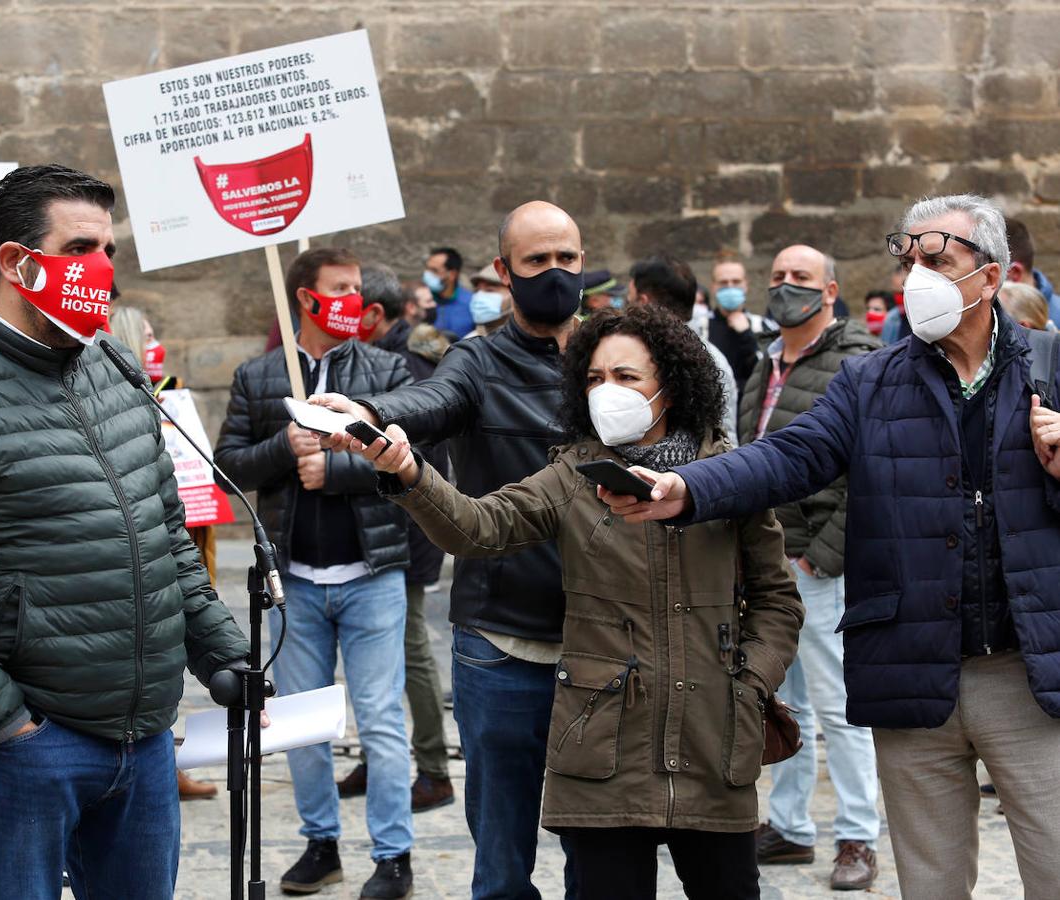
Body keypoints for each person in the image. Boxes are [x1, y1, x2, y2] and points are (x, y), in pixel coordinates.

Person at [605, 194, 1060, 898]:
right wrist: (685, 490)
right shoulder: (871, 381)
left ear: (992, 278)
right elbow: (785, 456)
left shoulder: (1052, 364)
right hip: (912, 669)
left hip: (1027, 673)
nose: (918, 278)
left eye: (938, 261)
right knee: (932, 884)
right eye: (908, 261)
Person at [0, 164, 248, 896]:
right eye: (80, 248)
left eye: (108, 249)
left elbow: (164, 538)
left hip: (144, 736)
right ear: (15, 261)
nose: (101, 268)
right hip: (23, 746)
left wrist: (221, 651)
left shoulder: (117, 371)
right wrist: (4, 724)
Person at [324, 304, 803, 900]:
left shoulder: (730, 474)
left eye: (626, 378)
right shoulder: (575, 472)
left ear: (672, 386)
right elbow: (479, 526)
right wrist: (410, 473)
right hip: (604, 743)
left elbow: (777, 600)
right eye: (594, 378)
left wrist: (748, 682)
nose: (608, 392)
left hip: (712, 737)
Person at [313, 200, 584, 899]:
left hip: (603, 637)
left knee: (603, 846)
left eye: (568, 259)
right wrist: (371, 416)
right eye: (536, 261)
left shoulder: (613, 356)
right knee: (500, 850)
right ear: (504, 271)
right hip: (501, 639)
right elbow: (429, 400)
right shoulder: (479, 358)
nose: (555, 273)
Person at [213, 247, 416, 899]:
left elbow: (415, 460)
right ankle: (320, 843)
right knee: (302, 719)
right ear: (305, 298)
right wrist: (285, 446)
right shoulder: (258, 376)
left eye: (357, 288)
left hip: (372, 573)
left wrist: (340, 468)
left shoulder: (387, 370)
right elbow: (229, 467)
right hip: (293, 577)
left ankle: (393, 854)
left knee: (381, 717)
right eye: (341, 289)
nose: (355, 300)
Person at [739, 245, 883, 890]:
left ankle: (857, 836)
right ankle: (791, 827)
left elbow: (871, 475)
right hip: (768, 567)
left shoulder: (857, 363)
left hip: (820, 565)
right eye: (776, 278)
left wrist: (821, 557)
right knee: (782, 701)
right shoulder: (763, 363)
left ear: (829, 291)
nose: (785, 287)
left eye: (800, 278)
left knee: (840, 707)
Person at [349, 262, 454, 813]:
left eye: (349, 304)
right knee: (384, 656)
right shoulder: (381, 357)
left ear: (373, 313)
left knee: (410, 651)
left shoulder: (403, 365)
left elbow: (416, 457)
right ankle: (379, 757)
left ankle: (434, 770)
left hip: (410, 529)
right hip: (395, 529)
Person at [108, 304, 218, 804]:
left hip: (187, 529)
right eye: (146, 335)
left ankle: (167, 762)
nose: (155, 345)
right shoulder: (111, 399)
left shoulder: (170, 394)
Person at [628, 255, 739, 447]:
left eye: (629, 300)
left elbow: (724, 441)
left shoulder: (710, 362)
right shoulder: (715, 357)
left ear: (643, 301)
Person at [708, 253, 763, 392]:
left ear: (745, 284)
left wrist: (746, 334)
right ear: (713, 286)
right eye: (723, 283)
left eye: (736, 282)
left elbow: (764, 372)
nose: (730, 287)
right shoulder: (701, 327)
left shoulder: (761, 326)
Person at [424, 247, 474, 338]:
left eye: (434, 270)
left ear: (452, 274)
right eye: (427, 269)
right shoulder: (422, 302)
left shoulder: (471, 303)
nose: (427, 274)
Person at [466, 264, 513, 338]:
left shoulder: (530, 341)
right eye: (476, 291)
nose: (479, 296)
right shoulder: (470, 341)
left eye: (490, 290)